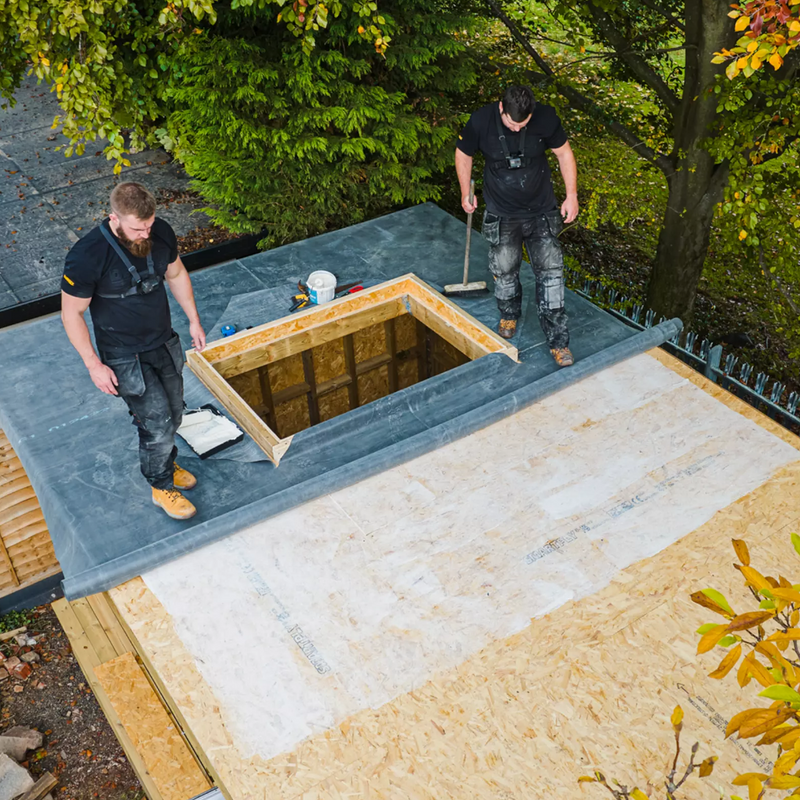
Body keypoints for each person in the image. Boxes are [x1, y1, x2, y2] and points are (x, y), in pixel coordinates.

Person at [60, 182, 206, 520]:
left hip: (162, 341)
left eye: (149, 225)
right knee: (156, 424)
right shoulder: (88, 255)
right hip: (124, 354)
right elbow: (72, 313)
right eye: (137, 228)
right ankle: (161, 486)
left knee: (176, 413)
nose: (145, 233)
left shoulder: (160, 232)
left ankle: (166, 463)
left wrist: (194, 321)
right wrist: (93, 365)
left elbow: (177, 273)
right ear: (115, 218)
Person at [455, 85, 579, 366]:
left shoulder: (546, 118)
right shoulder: (481, 120)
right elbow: (464, 154)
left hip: (541, 211)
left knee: (552, 277)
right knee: (505, 272)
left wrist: (571, 195)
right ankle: (509, 315)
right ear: (502, 109)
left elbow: (564, 154)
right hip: (502, 213)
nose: (515, 128)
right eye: (512, 122)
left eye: (522, 124)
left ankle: (559, 343)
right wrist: (466, 192)